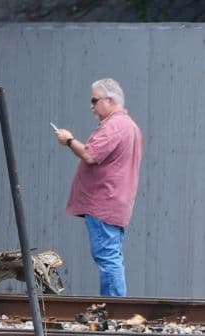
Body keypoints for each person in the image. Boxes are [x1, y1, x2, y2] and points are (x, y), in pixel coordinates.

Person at [54, 78, 142, 297]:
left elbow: (90, 155)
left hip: (104, 202)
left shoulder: (115, 126)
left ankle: (113, 310)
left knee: (107, 257)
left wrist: (69, 140)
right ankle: (114, 309)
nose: (91, 106)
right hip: (114, 203)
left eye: (94, 100)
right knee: (111, 255)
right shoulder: (130, 126)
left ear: (109, 100)